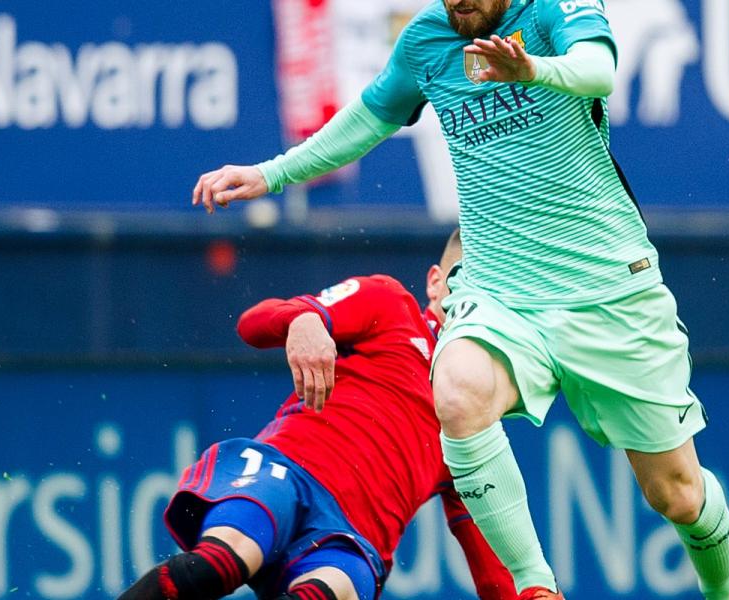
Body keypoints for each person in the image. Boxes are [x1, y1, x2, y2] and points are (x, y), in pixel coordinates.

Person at [189, 2, 729, 599]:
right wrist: (272, 174)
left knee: (677, 493)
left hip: (608, 287)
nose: (456, 3)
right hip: (499, 288)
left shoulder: (553, 10)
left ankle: (725, 591)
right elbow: (369, 118)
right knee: (455, 391)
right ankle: (536, 587)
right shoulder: (428, 40)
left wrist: (533, 69)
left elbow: (598, 69)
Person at [118, 232, 515, 600]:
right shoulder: (391, 305)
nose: (478, 302)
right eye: (468, 280)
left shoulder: (476, 420)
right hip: (284, 475)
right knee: (221, 563)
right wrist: (302, 318)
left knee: (326, 593)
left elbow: (496, 574)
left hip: (349, 539)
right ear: (434, 282)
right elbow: (252, 325)